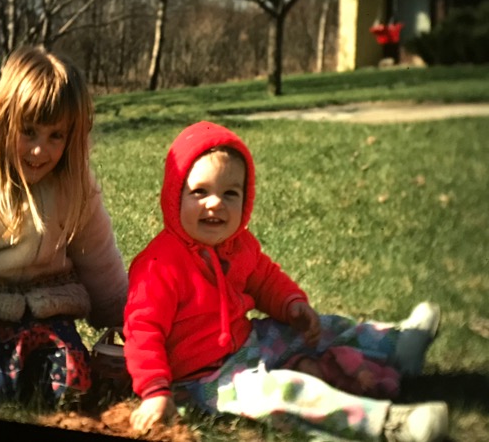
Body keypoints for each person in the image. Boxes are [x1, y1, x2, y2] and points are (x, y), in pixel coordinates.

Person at [123, 121, 448, 441]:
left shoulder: (238, 245)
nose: (216, 203)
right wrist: (155, 390)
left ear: (245, 200)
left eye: (230, 193)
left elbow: (266, 280)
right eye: (200, 192)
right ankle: (390, 424)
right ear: (174, 195)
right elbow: (143, 331)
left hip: (249, 341)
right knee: (283, 393)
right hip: (205, 380)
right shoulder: (158, 266)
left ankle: (396, 345)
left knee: (323, 327)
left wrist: (291, 303)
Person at [0, 46, 128, 408]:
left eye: (55, 136)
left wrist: (123, 318)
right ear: (6, 119)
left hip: (52, 311)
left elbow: (98, 254)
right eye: (28, 132)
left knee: (72, 383)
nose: (39, 151)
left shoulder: (74, 182)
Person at [285, 345, 401, 399]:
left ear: (314, 361)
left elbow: (347, 355)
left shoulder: (330, 358)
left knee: (387, 382)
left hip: (370, 373)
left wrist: (359, 371)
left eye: (310, 366)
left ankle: (389, 386)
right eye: (305, 374)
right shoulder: (324, 388)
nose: (310, 373)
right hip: (361, 392)